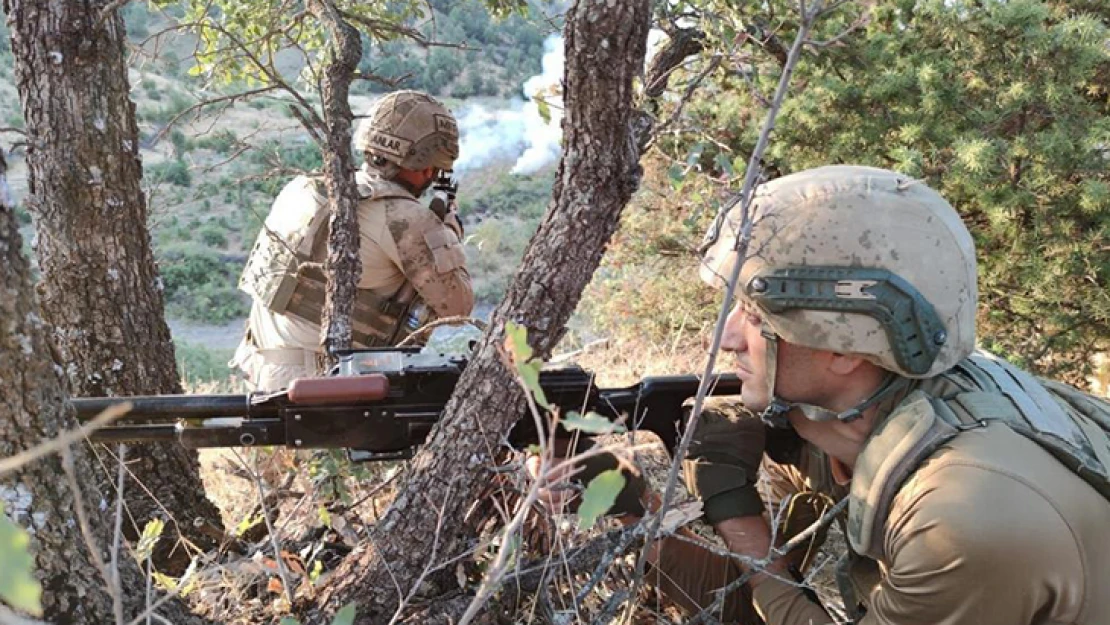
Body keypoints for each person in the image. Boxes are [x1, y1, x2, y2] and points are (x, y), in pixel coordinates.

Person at [542, 165, 1110, 624]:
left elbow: (765, 586)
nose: (729, 336)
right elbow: (746, 604)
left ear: (842, 349)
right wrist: (627, 502)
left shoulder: (963, 519)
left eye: (756, 311)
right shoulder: (867, 420)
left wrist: (735, 516)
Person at [232, 90, 475, 390]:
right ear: (426, 166)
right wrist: (448, 233)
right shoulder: (404, 217)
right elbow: (458, 309)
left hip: (261, 368)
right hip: (324, 383)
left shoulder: (305, 188)